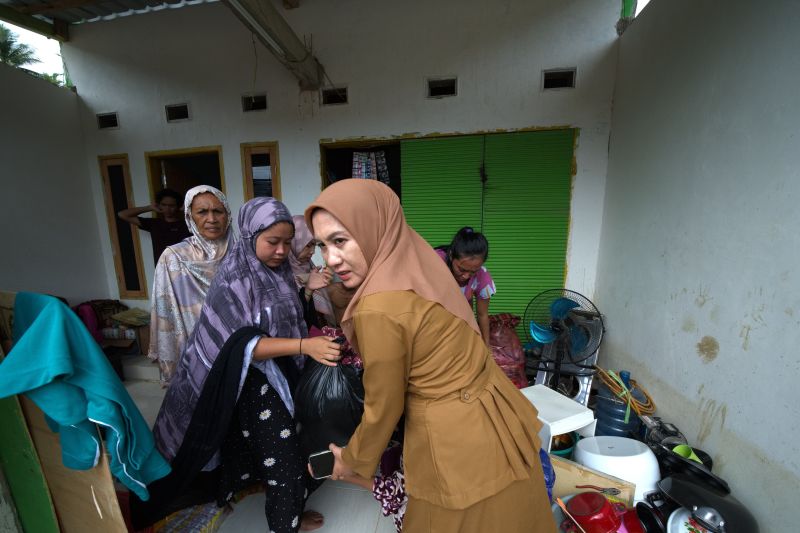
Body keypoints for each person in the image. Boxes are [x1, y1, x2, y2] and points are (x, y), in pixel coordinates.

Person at [306, 180, 556, 533]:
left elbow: (383, 405)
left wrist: (351, 459)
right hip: (496, 412)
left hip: (455, 442)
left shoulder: (379, 306)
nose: (330, 259)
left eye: (340, 240)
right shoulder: (418, 259)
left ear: (372, 227)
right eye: (322, 245)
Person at [134, 198, 342, 532]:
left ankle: (287, 509)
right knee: (286, 460)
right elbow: (241, 346)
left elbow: (283, 320)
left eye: (287, 242)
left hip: (277, 372)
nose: (281, 250)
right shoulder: (234, 280)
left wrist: (305, 295)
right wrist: (305, 346)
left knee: (293, 448)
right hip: (245, 379)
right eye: (273, 242)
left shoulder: (282, 273)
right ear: (249, 236)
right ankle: (284, 524)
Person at [148, 185, 234, 385]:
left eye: (218, 211)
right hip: (193, 348)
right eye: (202, 212)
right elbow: (164, 311)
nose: (211, 219)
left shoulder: (241, 255)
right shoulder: (174, 258)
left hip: (236, 347)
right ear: (190, 217)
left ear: (227, 215)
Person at [436, 227, 496, 344]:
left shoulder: (482, 276)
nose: (466, 276)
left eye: (473, 271)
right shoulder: (436, 262)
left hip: (459, 322)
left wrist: (486, 345)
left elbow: (482, 314)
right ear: (452, 255)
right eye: (461, 269)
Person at [118, 188, 192, 265]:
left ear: (178, 206)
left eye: (171, 205)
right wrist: (149, 207)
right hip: (162, 269)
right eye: (163, 205)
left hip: (184, 269)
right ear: (159, 205)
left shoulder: (187, 224)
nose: (167, 209)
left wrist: (187, 209)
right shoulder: (154, 223)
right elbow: (122, 214)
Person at [288, 215, 335, 327]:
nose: (313, 251)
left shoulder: (310, 267)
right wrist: (308, 287)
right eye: (308, 245)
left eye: (315, 245)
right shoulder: (280, 274)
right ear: (293, 241)